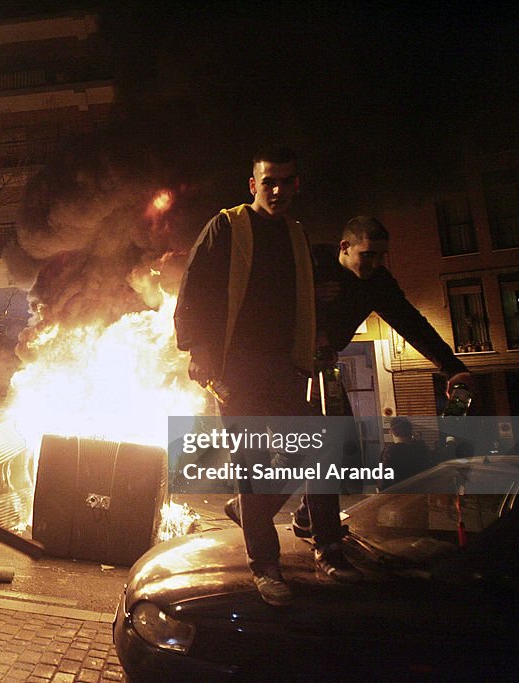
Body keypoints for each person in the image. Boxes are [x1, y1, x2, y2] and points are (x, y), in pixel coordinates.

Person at [175, 147, 341, 606]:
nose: (278, 190)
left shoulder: (297, 235)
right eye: (269, 181)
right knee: (249, 461)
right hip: (235, 368)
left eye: (286, 181)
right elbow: (194, 288)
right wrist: (198, 351)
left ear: (297, 185)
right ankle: (265, 567)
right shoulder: (226, 226)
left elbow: (303, 293)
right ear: (253, 185)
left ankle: (296, 534)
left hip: (284, 366)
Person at [290, 216, 473, 541]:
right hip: (288, 366)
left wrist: (451, 366)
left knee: (344, 445)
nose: (374, 263)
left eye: (380, 256)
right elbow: (266, 295)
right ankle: (279, 513)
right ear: (344, 247)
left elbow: (411, 322)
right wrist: (308, 294)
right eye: (367, 255)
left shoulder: (377, 282)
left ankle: (307, 516)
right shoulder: (311, 260)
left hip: (323, 366)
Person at [378, 416, 432, 490]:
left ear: (391, 432)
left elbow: (384, 482)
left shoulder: (391, 452)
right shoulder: (422, 448)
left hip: (400, 497)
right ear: (410, 431)